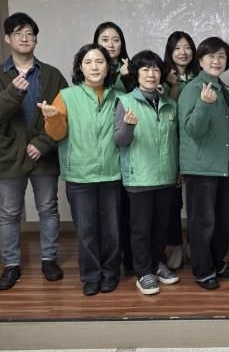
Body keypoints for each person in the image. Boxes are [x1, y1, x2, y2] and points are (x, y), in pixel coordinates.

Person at [0, 12, 67, 291]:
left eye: (29, 33)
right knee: (9, 213)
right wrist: (13, 92)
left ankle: (49, 259)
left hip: (44, 155)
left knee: (48, 209)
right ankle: (11, 265)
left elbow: (64, 116)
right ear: (8, 38)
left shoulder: (52, 74)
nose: (25, 38)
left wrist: (43, 143)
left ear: (36, 39)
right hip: (9, 154)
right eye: (18, 33)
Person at [39, 43, 122, 296]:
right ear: (80, 68)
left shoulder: (119, 96)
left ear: (108, 67)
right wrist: (52, 117)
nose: (94, 67)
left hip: (112, 173)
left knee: (112, 230)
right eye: (88, 62)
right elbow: (57, 135)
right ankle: (91, 276)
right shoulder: (66, 96)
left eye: (100, 61)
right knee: (86, 231)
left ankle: (111, 273)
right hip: (79, 175)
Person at [115, 50, 180, 295]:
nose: (151, 74)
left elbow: (175, 141)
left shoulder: (170, 104)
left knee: (160, 227)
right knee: (141, 228)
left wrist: (178, 169)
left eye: (155, 69)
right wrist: (129, 126)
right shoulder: (125, 102)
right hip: (139, 177)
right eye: (145, 69)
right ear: (136, 73)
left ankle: (157, 263)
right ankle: (143, 272)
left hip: (166, 176)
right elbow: (120, 141)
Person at [178, 37, 229, 290]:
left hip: (222, 164)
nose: (216, 61)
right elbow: (192, 129)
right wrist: (204, 104)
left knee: (221, 220)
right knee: (203, 222)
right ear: (201, 60)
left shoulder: (223, 88)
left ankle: (216, 262)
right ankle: (203, 270)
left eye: (221, 56)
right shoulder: (194, 89)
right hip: (201, 167)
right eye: (211, 56)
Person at [93, 21, 134, 274]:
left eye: (116, 39)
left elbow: (139, 98)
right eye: (105, 39)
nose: (111, 44)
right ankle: (107, 261)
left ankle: (131, 259)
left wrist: (127, 77)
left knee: (129, 209)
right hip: (101, 146)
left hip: (129, 144)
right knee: (105, 212)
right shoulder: (93, 69)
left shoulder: (131, 68)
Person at [162, 30, 199, 269]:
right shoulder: (161, 76)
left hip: (196, 146)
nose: (183, 52)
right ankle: (175, 245)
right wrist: (173, 86)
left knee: (198, 202)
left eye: (187, 47)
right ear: (170, 52)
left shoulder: (201, 76)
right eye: (177, 48)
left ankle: (196, 244)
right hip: (170, 145)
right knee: (172, 202)